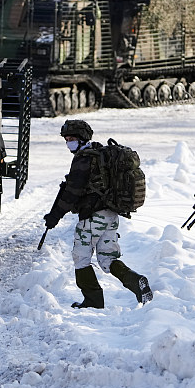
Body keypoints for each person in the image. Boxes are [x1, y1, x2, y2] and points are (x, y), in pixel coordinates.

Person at [43, 119, 153, 309]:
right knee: (108, 259)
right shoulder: (101, 153)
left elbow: (72, 192)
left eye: (71, 138)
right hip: (110, 215)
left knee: (81, 258)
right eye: (66, 139)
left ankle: (93, 301)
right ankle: (137, 282)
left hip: (92, 217)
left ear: (82, 138)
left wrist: (55, 215)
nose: (68, 142)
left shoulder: (84, 159)